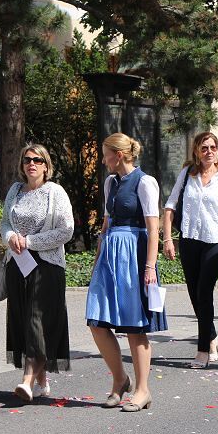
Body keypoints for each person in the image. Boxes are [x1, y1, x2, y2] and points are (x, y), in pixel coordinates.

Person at [86, 133, 167, 411]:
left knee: (135, 325)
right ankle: (120, 379)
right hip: (110, 254)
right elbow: (106, 223)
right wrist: (98, 259)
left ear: (118, 155)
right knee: (97, 321)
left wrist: (149, 266)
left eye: (106, 154)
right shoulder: (111, 182)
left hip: (134, 254)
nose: (103, 160)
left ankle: (143, 390)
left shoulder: (145, 182)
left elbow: (153, 229)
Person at [1, 144, 74, 402]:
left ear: (46, 165)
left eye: (37, 160)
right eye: (27, 160)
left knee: (37, 322)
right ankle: (41, 382)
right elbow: (5, 223)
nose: (31, 164)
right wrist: (11, 237)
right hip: (17, 264)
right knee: (23, 322)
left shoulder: (55, 192)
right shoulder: (15, 191)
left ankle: (27, 382)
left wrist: (30, 241)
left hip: (46, 267)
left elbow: (66, 230)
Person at [163, 132, 218, 369]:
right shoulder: (188, 173)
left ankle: (203, 350)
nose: (209, 152)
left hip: (216, 240)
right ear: (196, 150)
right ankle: (212, 335)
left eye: (213, 147)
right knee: (194, 293)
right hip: (190, 239)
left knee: (204, 292)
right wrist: (167, 239)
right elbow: (170, 205)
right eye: (204, 148)